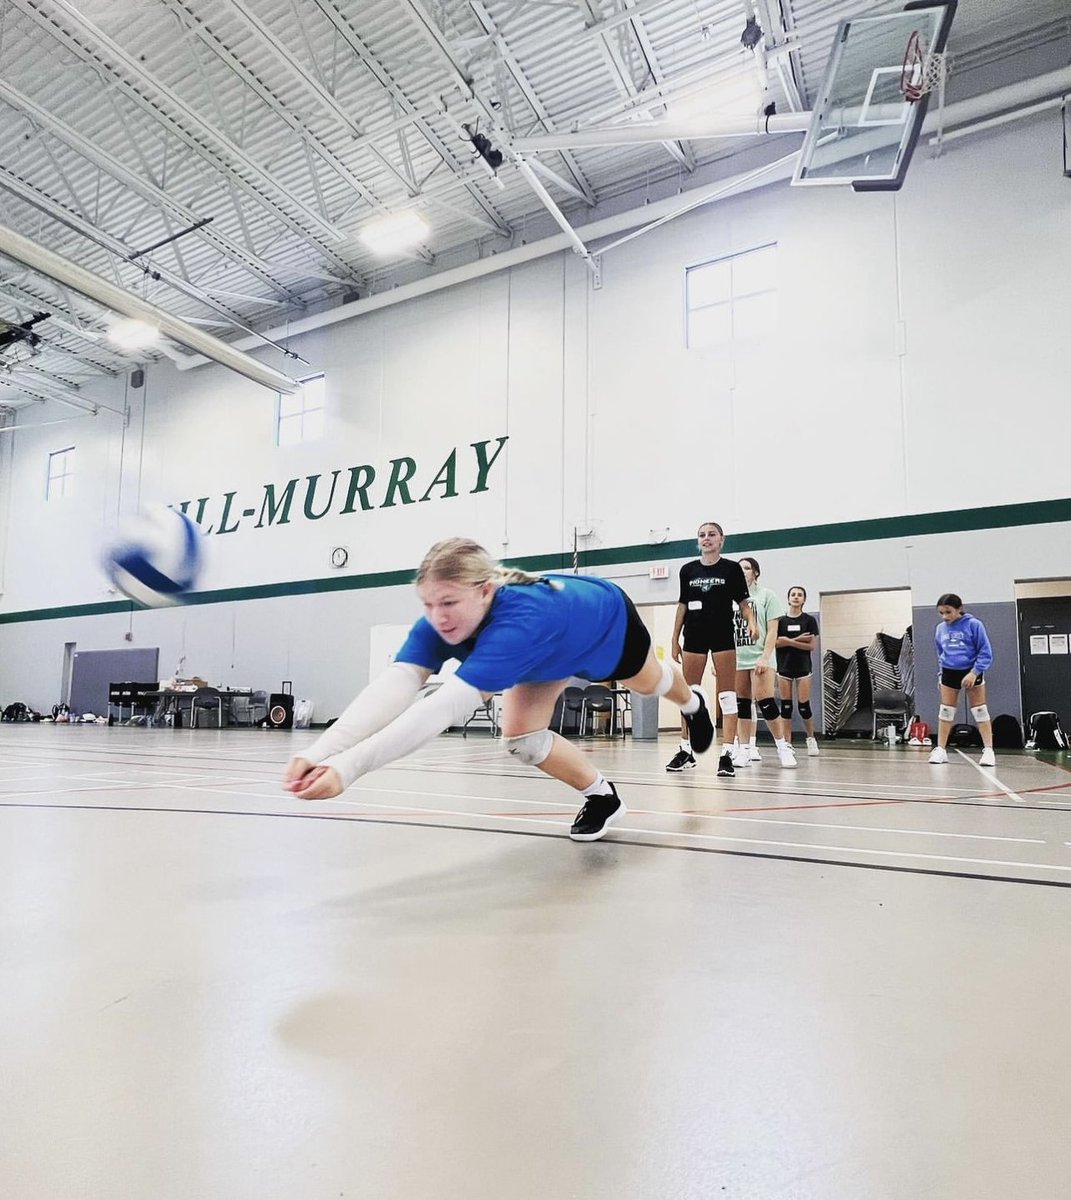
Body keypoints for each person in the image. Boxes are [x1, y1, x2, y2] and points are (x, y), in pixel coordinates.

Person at [282, 538, 715, 841]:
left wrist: (349, 769)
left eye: (449, 603)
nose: (438, 617)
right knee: (523, 742)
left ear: (486, 590)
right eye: (428, 604)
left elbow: (440, 709)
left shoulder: (520, 623)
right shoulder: (442, 620)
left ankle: (692, 703)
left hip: (603, 624)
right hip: (546, 650)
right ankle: (602, 796)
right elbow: (396, 685)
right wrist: (319, 752)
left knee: (649, 681)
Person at [666, 521, 757, 777]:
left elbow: (743, 603)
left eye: (711, 535)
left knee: (727, 695)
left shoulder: (731, 569)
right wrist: (674, 638)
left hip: (722, 637)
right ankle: (686, 750)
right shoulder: (688, 570)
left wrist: (751, 622)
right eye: (702, 535)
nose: (706, 539)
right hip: (694, 636)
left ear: (721, 540)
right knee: (688, 694)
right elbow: (682, 605)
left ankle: (727, 753)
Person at [724, 557, 797, 770]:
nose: (742, 571)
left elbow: (773, 630)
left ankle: (783, 748)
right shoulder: (729, 599)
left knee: (766, 702)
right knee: (742, 704)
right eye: (739, 569)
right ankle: (744, 751)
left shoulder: (767, 596)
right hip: (737, 659)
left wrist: (765, 656)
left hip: (760, 657)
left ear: (755, 572)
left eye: (746, 568)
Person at [929, 593, 995, 767]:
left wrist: (974, 672)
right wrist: (941, 674)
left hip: (971, 672)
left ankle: (988, 750)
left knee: (980, 710)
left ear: (959, 609)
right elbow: (940, 654)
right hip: (949, 672)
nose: (945, 617)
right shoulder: (940, 629)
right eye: (941, 613)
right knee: (946, 712)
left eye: (948, 612)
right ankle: (941, 750)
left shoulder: (974, 625)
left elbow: (985, 652)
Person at [776, 585, 821, 757]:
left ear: (804, 600)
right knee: (786, 707)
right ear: (788, 599)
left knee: (804, 707)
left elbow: (811, 646)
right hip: (784, 668)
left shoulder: (809, 621)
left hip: (803, 668)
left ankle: (811, 738)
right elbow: (775, 642)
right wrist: (797, 640)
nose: (796, 597)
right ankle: (787, 744)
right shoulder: (780, 621)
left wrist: (788, 640)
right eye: (793, 594)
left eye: (799, 595)